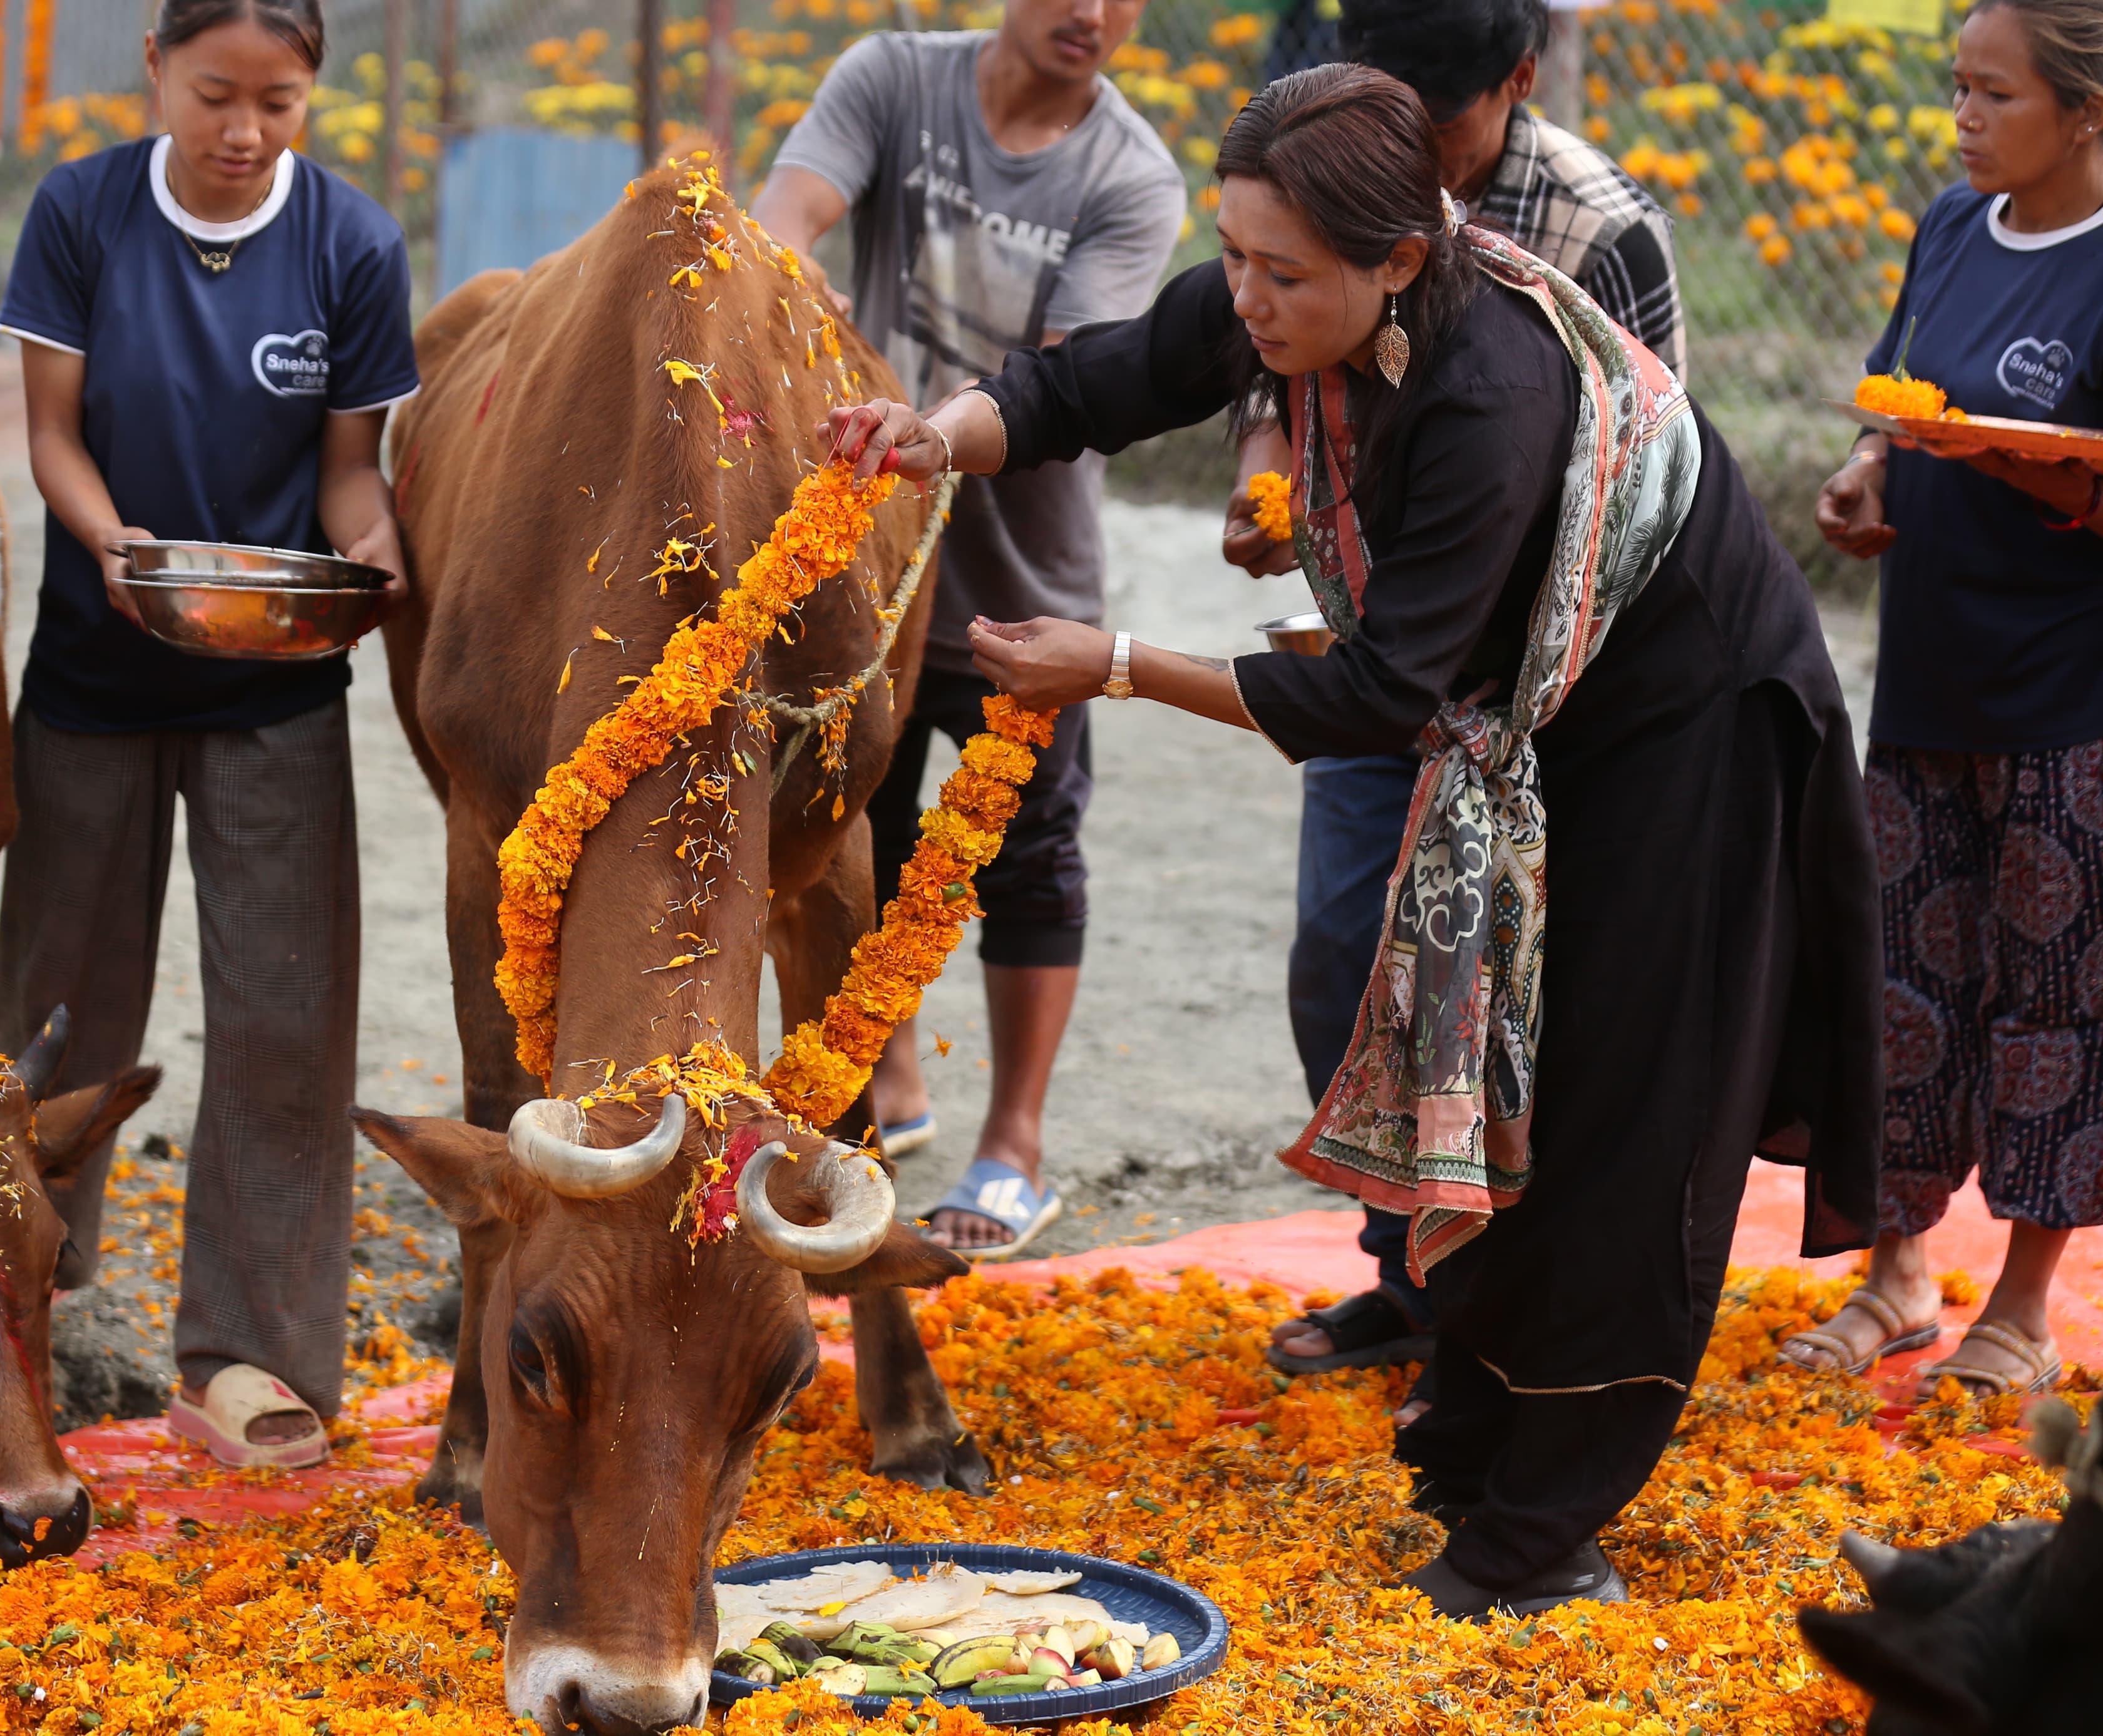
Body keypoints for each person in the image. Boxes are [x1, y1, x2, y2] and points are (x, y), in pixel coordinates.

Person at [820, 64, 1881, 1618]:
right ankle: (1475, 1462)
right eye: (1233, 255)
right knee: (1509, 1087)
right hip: (1530, 728)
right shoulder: (1291, 291)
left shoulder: (1482, 392)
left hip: (1690, 735)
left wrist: (1107, 661)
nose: (1244, 299)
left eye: (1281, 273)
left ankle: (1540, 1533)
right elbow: (1095, 379)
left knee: (1615, 1116)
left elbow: (1381, 695)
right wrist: (934, 434)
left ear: (1401, 256)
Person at [0, 0, 415, 1467]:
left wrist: (376, 551)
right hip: (96, 676)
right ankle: (16, 1297)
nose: (244, 131)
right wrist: (116, 542)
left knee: (287, 1026)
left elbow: (349, 472)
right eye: (217, 93)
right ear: (157, 70)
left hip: (277, 688)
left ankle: (246, 1354)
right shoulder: (83, 209)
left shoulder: (350, 242)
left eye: (279, 104)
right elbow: (53, 432)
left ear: (311, 102)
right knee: (57, 1013)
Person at [1247, 0, 1690, 1402]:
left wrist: (1122, 664)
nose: (1404, 157)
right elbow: (1248, 347)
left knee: (1510, 999)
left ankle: (1495, 1320)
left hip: (1533, 696)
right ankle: (1408, 1271)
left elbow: (1627, 477)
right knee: (1343, 956)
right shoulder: (1317, 177)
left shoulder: (1591, 238)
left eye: (1431, 134)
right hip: (1391, 650)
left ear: (1514, 81)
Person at [751, 0, 1186, 1256]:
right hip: (868, 571)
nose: (1092, 14)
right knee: (852, 835)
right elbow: (789, 213)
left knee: (1030, 854)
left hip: (1020, 568)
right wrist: (787, 282)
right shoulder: (892, 77)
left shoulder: (1128, 174)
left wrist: (913, 423)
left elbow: (1063, 379)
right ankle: (882, 1090)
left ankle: (1013, 1147)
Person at [1791, 0, 2103, 1397]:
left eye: (1994, 95)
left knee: (2055, 995)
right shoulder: (1949, 224)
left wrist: (2008, 462)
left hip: (2070, 692)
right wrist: (1876, 461)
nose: (1964, 119)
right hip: (1926, 672)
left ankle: (2024, 1303)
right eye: (1955, 90)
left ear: (2085, 112)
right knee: (1902, 983)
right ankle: (1896, 1273)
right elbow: (1902, 380)